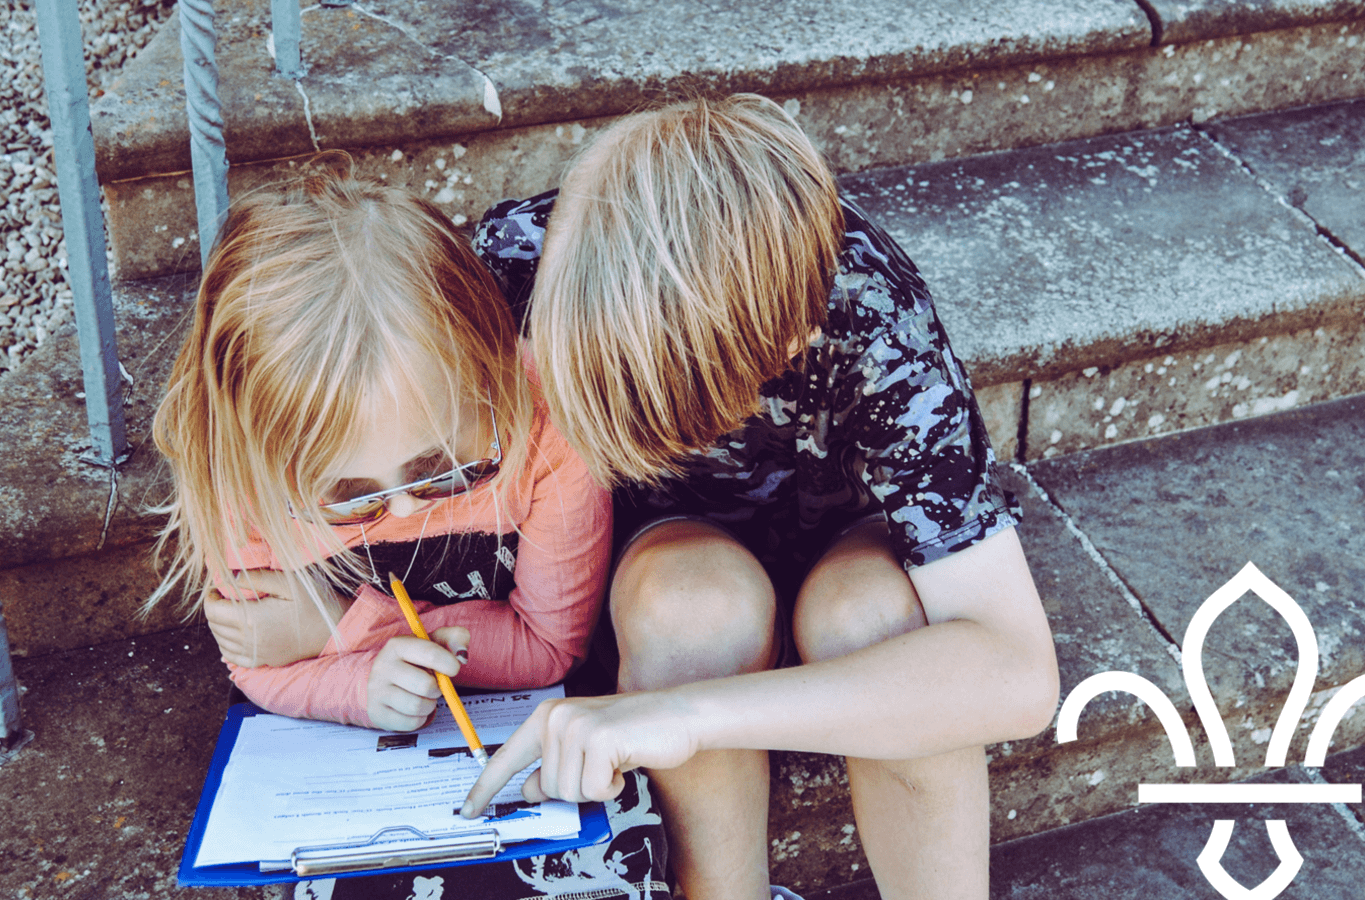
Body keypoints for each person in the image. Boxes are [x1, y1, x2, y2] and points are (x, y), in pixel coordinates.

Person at [463, 95, 1060, 900]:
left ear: (786, 344)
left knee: (873, 617)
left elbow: (1016, 671)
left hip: (846, 542)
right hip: (666, 567)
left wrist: (692, 715)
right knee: (692, 608)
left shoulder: (868, 313)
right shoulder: (518, 262)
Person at [147, 172, 670, 898]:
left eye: (444, 471)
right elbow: (259, 662)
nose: (400, 513)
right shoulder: (237, 470)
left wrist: (344, 623)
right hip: (359, 775)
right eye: (345, 500)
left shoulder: (548, 427)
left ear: (494, 372)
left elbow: (551, 646)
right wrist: (362, 683)